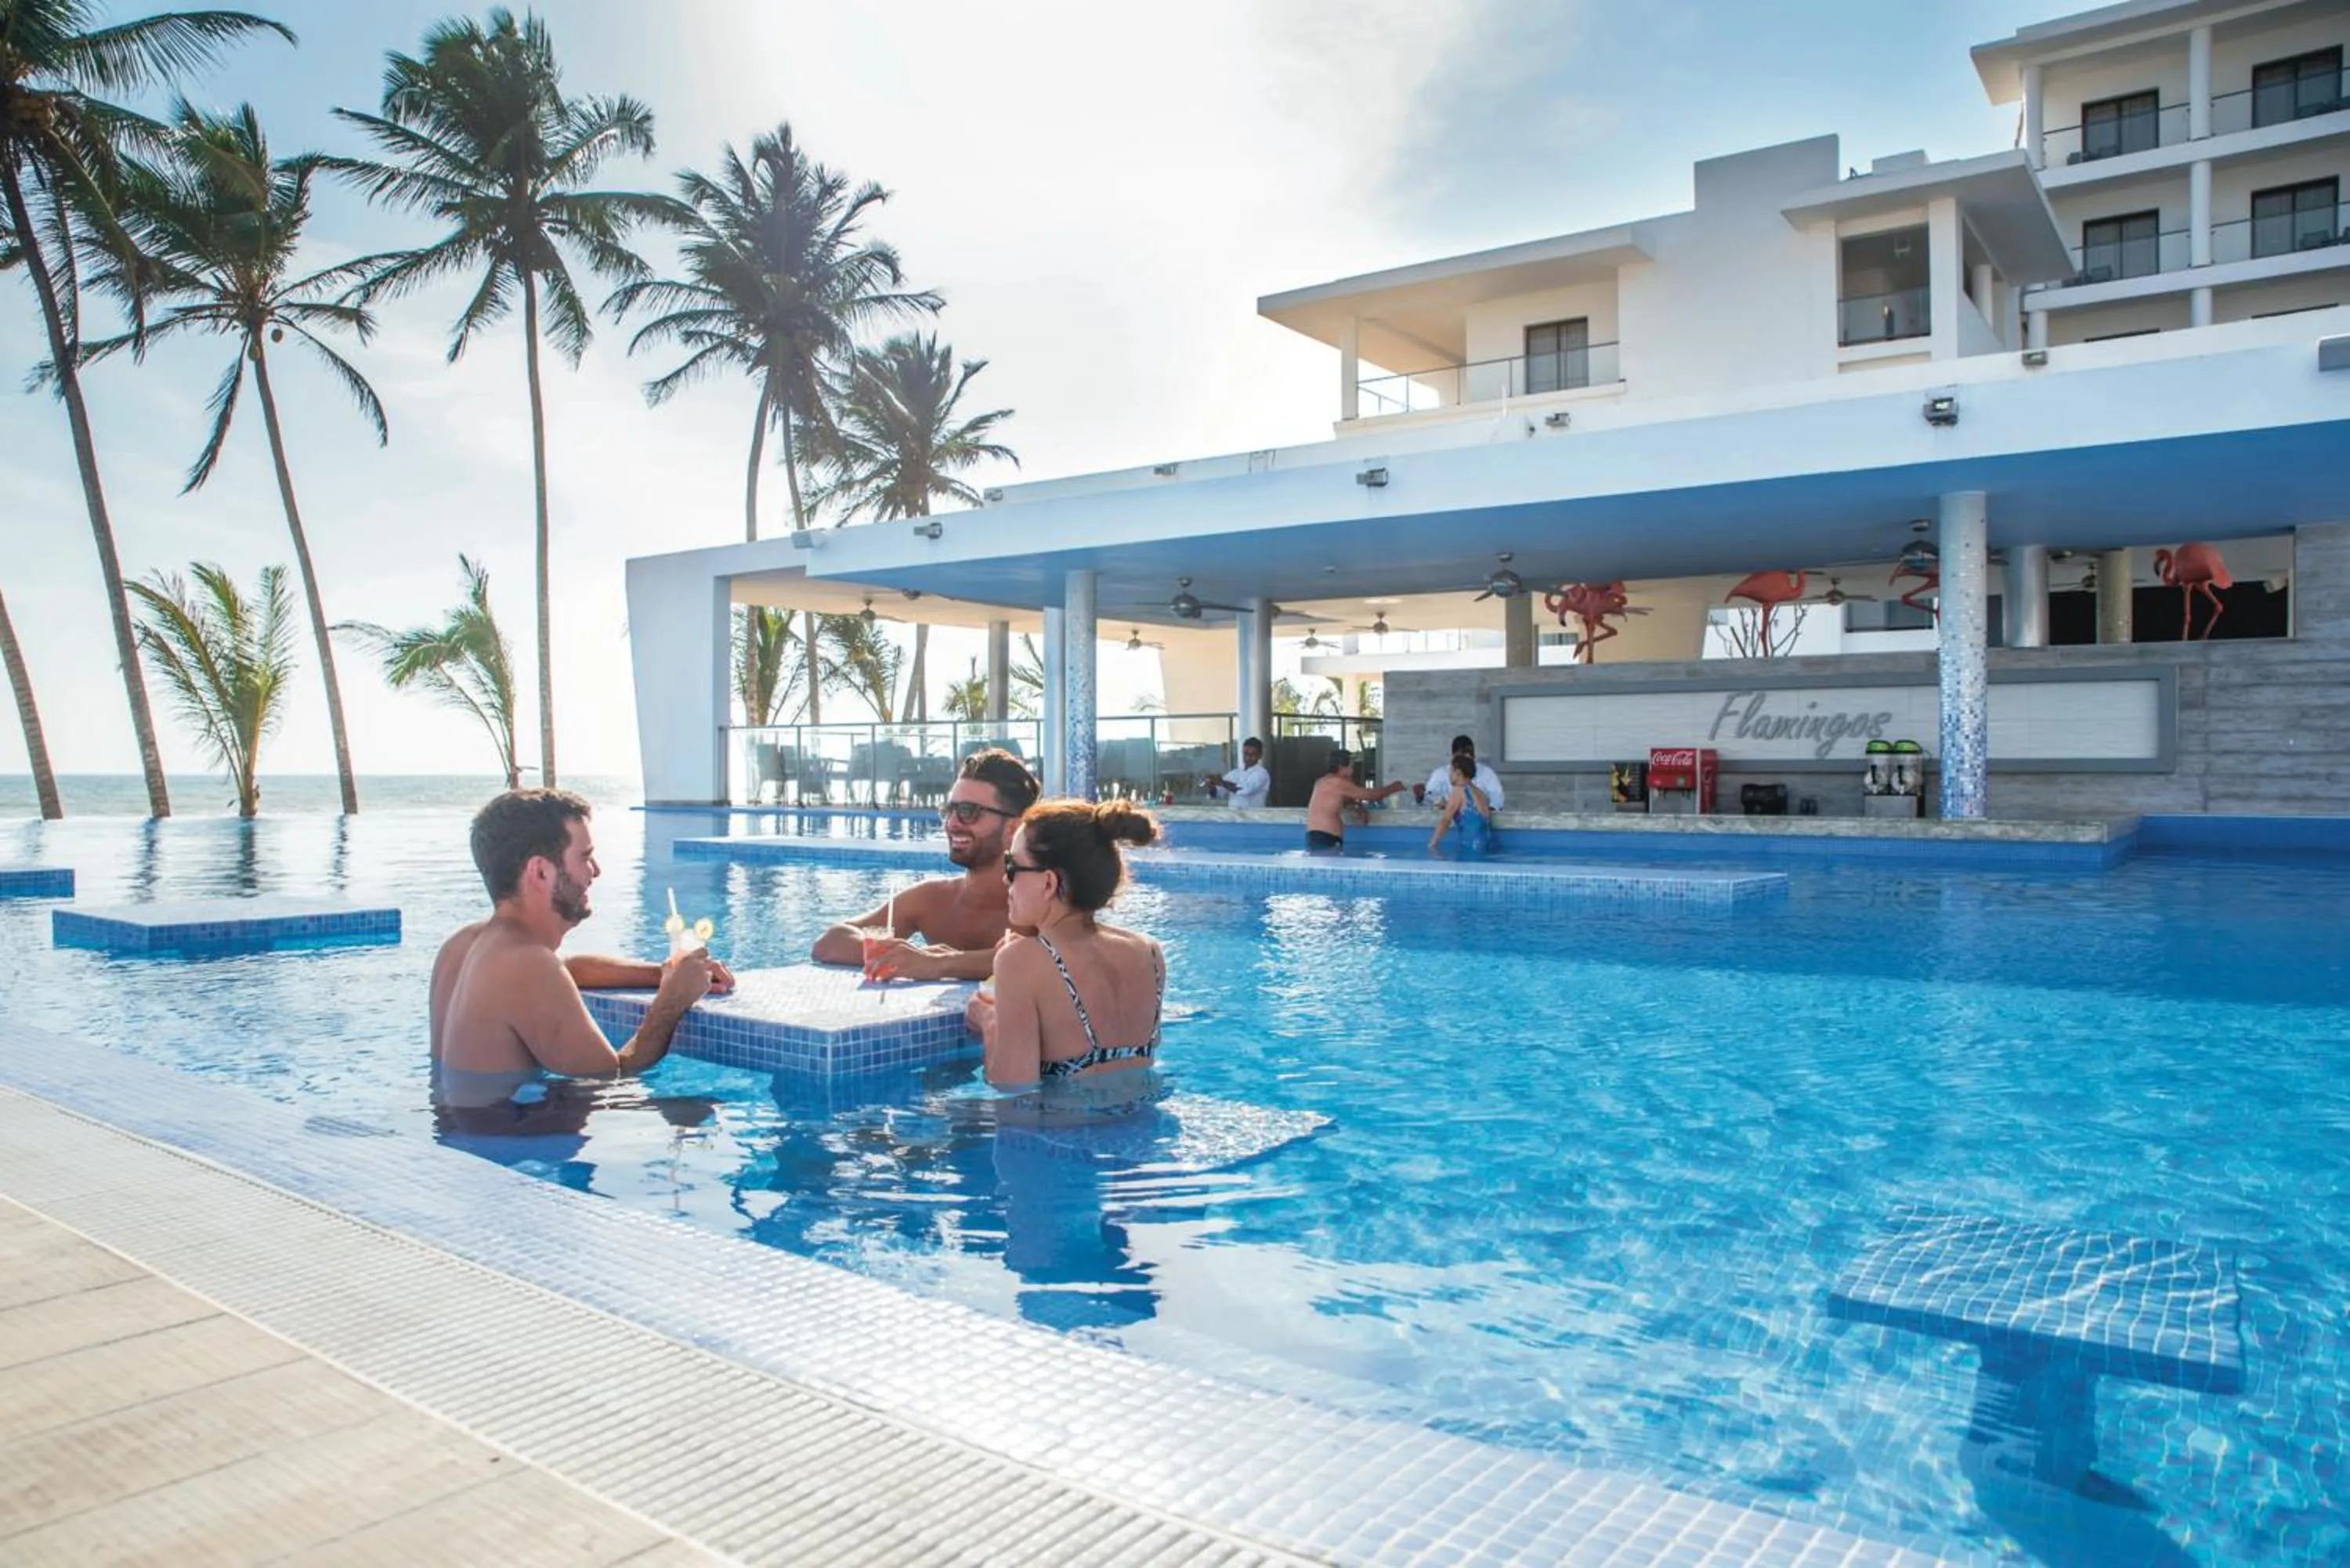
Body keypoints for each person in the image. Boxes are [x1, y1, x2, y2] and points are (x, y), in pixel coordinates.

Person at [431, 789, 736, 1110]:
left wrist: (666, 973)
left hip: (466, 1132)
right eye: (584, 857)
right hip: (513, 1139)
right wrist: (671, 1002)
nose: (596, 870)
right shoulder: (529, 965)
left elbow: (567, 969)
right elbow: (612, 1079)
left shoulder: (464, 946)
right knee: (710, 1107)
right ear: (541, 872)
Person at [963, 799, 1166, 1089]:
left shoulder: (1019, 962)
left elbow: (1012, 1089)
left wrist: (988, 1021)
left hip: (1062, 1117)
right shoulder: (1148, 951)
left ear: (1048, 883)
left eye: (1012, 865)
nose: (1006, 880)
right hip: (1144, 1111)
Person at [814, 748, 1039, 981]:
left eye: (968, 812)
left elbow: (1049, 958)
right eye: (949, 810)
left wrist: (940, 963)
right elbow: (830, 943)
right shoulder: (933, 900)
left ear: (1013, 828)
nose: (952, 823)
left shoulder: (1043, 900)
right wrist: (905, 956)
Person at [1306, 749, 1405, 850]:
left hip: (1317, 836)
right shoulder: (1338, 783)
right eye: (1351, 766)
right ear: (1341, 767)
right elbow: (1372, 796)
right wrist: (1393, 787)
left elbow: (1339, 802)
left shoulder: (1322, 782)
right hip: (1326, 837)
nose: (1352, 770)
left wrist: (1358, 807)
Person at [1428, 753, 1497, 855]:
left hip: (1469, 849)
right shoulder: (1480, 793)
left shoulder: (1459, 790)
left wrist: (1432, 844)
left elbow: (1445, 820)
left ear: (1458, 772)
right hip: (1485, 847)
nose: (1449, 774)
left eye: (1451, 771)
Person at [1425, 735, 1505, 814]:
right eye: (1460, 760)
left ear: (1473, 756)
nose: (1464, 765)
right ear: (1453, 757)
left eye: (1467, 760)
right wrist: (1438, 803)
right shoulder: (1440, 774)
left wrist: (1486, 811)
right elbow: (1429, 798)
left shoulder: (1487, 774)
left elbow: (1497, 800)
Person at [1202, 736, 1271, 809]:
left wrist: (1221, 782)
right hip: (1234, 815)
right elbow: (1218, 793)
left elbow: (1244, 790)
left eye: (1252, 754)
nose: (1248, 758)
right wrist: (1211, 784)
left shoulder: (1261, 774)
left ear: (1260, 755)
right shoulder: (1234, 773)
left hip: (1253, 815)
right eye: (1246, 754)